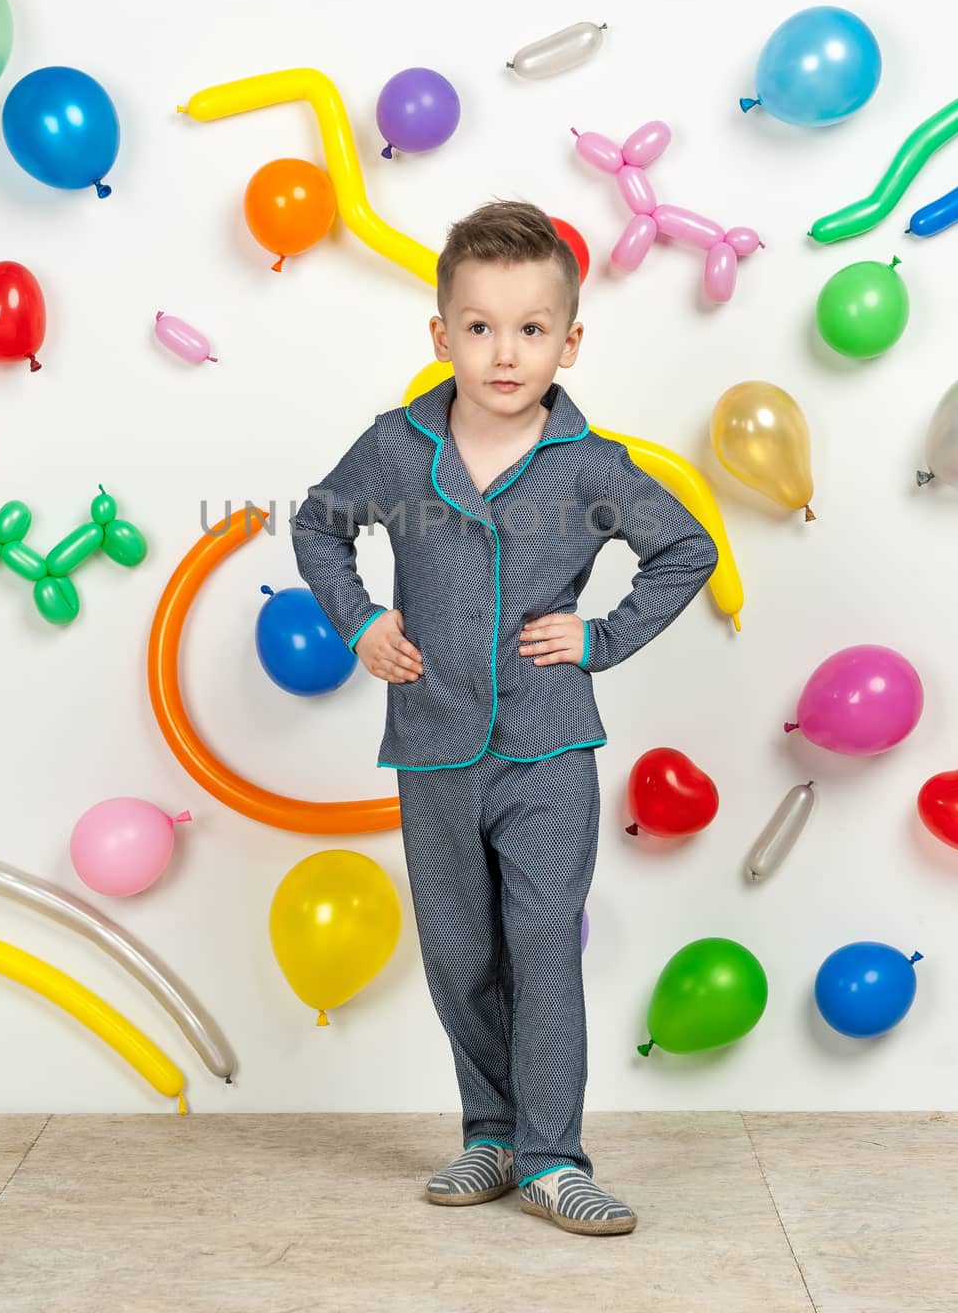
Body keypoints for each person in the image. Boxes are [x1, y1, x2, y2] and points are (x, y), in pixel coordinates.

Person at [291, 200, 719, 1237]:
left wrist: (600, 636)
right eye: (479, 326)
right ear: (441, 336)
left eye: (532, 328)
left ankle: (553, 1155)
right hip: (432, 743)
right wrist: (358, 624)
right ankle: (489, 1134)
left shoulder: (591, 464)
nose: (504, 350)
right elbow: (316, 525)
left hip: (550, 747)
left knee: (539, 941)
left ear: (569, 340)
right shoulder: (396, 448)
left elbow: (686, 550)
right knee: (458, 949)